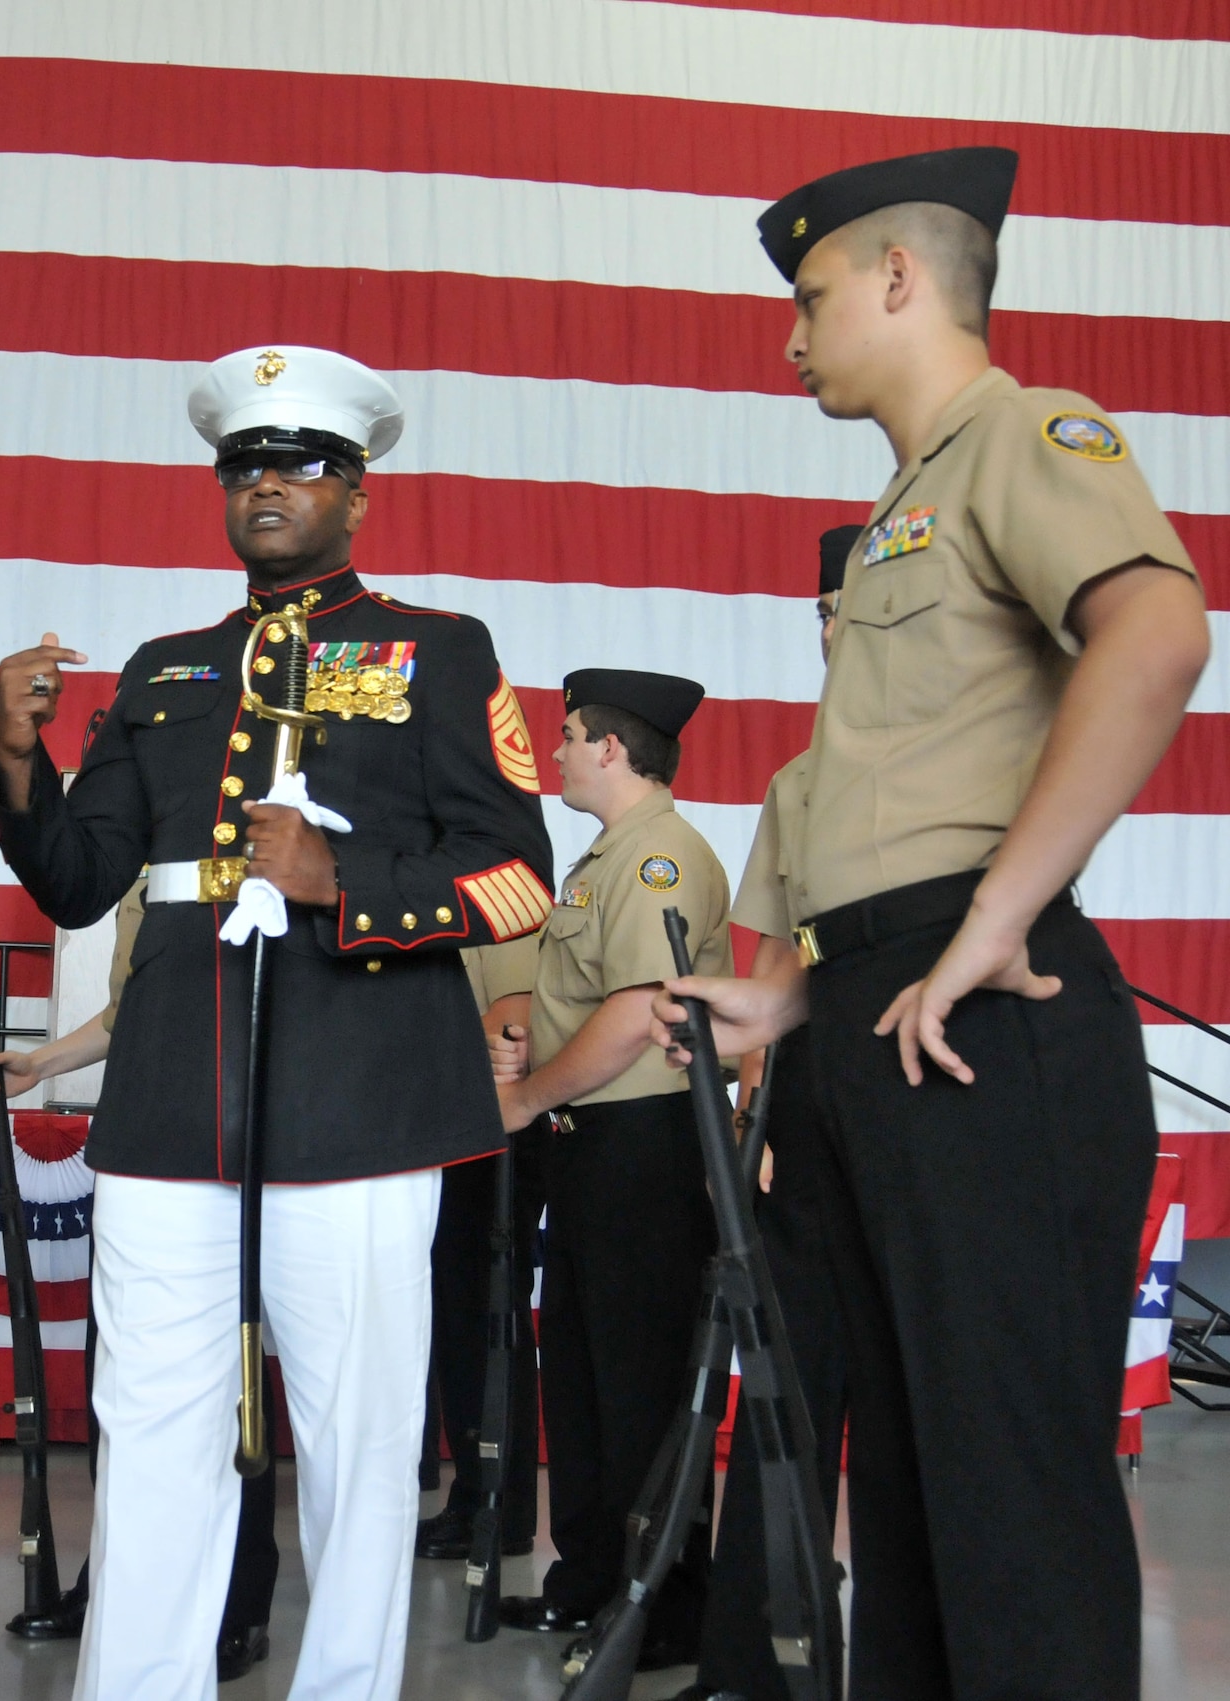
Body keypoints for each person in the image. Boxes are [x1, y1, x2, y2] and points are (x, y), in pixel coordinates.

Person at [652, 148, 1209, 1701]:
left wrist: (991, 917)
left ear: (900, 277)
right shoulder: (910, 503)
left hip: (986, 1018)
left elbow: (1160, 633)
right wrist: (791, 998)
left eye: (811, 296)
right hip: (876, 1016)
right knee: (898, 1489)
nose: (791, 337)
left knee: (1005, 1491)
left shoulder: (1022, 436)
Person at [0, 344, 555, 1701]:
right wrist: (21, 755)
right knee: (151, 1421)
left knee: (358, 1438)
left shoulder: (437, 648)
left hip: (360, 1098)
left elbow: (519, 875)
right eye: (244, 463)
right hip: (180, 1090)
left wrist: (339, 883)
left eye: (300, 463)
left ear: (357, 492)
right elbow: (80, 875)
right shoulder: (167, 667)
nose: (267, 484)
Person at [0, 877, 281, 1682]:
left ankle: (237, 1601)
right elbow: (127, 1013)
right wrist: (38, 1063)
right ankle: (119, 1582)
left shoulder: (236, 837)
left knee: (230, 1383)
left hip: (229, 1128)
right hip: (144, 1128)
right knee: (126, 1386)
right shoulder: (145, 868)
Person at [489, 670, 728, 1665]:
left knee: (637, 1386)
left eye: (567, 735)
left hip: (643, 1152)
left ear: (611, 750)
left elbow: (635, 1016)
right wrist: (529, 1056)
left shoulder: (660, 859)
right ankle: (588, 1580)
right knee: (581, 1379)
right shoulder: (605, 859)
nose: (554, 751)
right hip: (590, 1153)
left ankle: (660, 1609)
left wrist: (529, 1092)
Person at [674, 525, 858, 1701]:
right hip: (811, 1099)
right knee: (786, 1392)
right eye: (825, 612)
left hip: (932, 1100)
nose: (839, 627)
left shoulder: (984, 751)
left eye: (857, 605)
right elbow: (773, 956)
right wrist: (756, 1121)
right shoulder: (800, 781)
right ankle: (755, 1658)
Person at [413, 936, 544, 1566]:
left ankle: (498, 1507)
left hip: (484, 1127)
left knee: (483, 1318)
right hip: (441, 1124)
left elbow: (510, 1021)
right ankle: (473, 1494)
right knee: (456, 1320)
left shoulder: (496, 897)